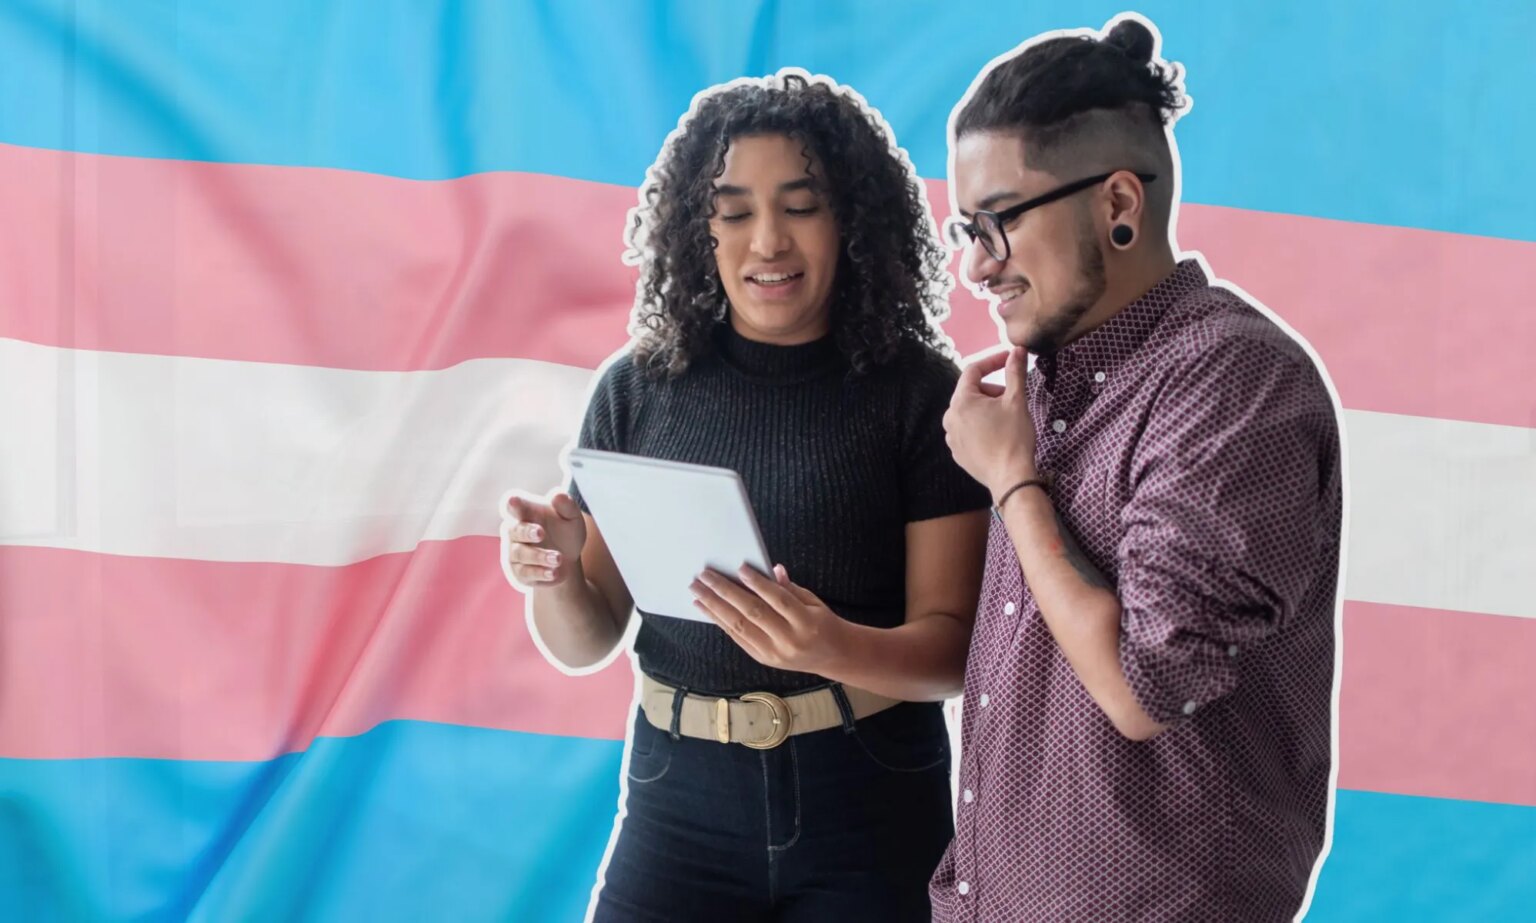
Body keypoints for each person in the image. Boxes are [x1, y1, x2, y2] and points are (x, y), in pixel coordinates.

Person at [501, 70, 990, 922]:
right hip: (676, 799)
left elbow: (954, 653)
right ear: (700, 230)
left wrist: (830, 644)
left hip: (867, 797)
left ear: (852, 222)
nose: (768, 241)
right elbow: (587, 640)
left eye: (801, 206)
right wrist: (557, 576)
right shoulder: (636, 391)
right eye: (734, 211)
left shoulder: (920, 395)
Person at [934, 15, 1344, 922]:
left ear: (1118, 204)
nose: (975, 265)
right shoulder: (1033, 388)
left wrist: (1013, 484)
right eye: (967, 228)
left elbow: (1143, 687)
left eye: (997, 222)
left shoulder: (1235, 380)